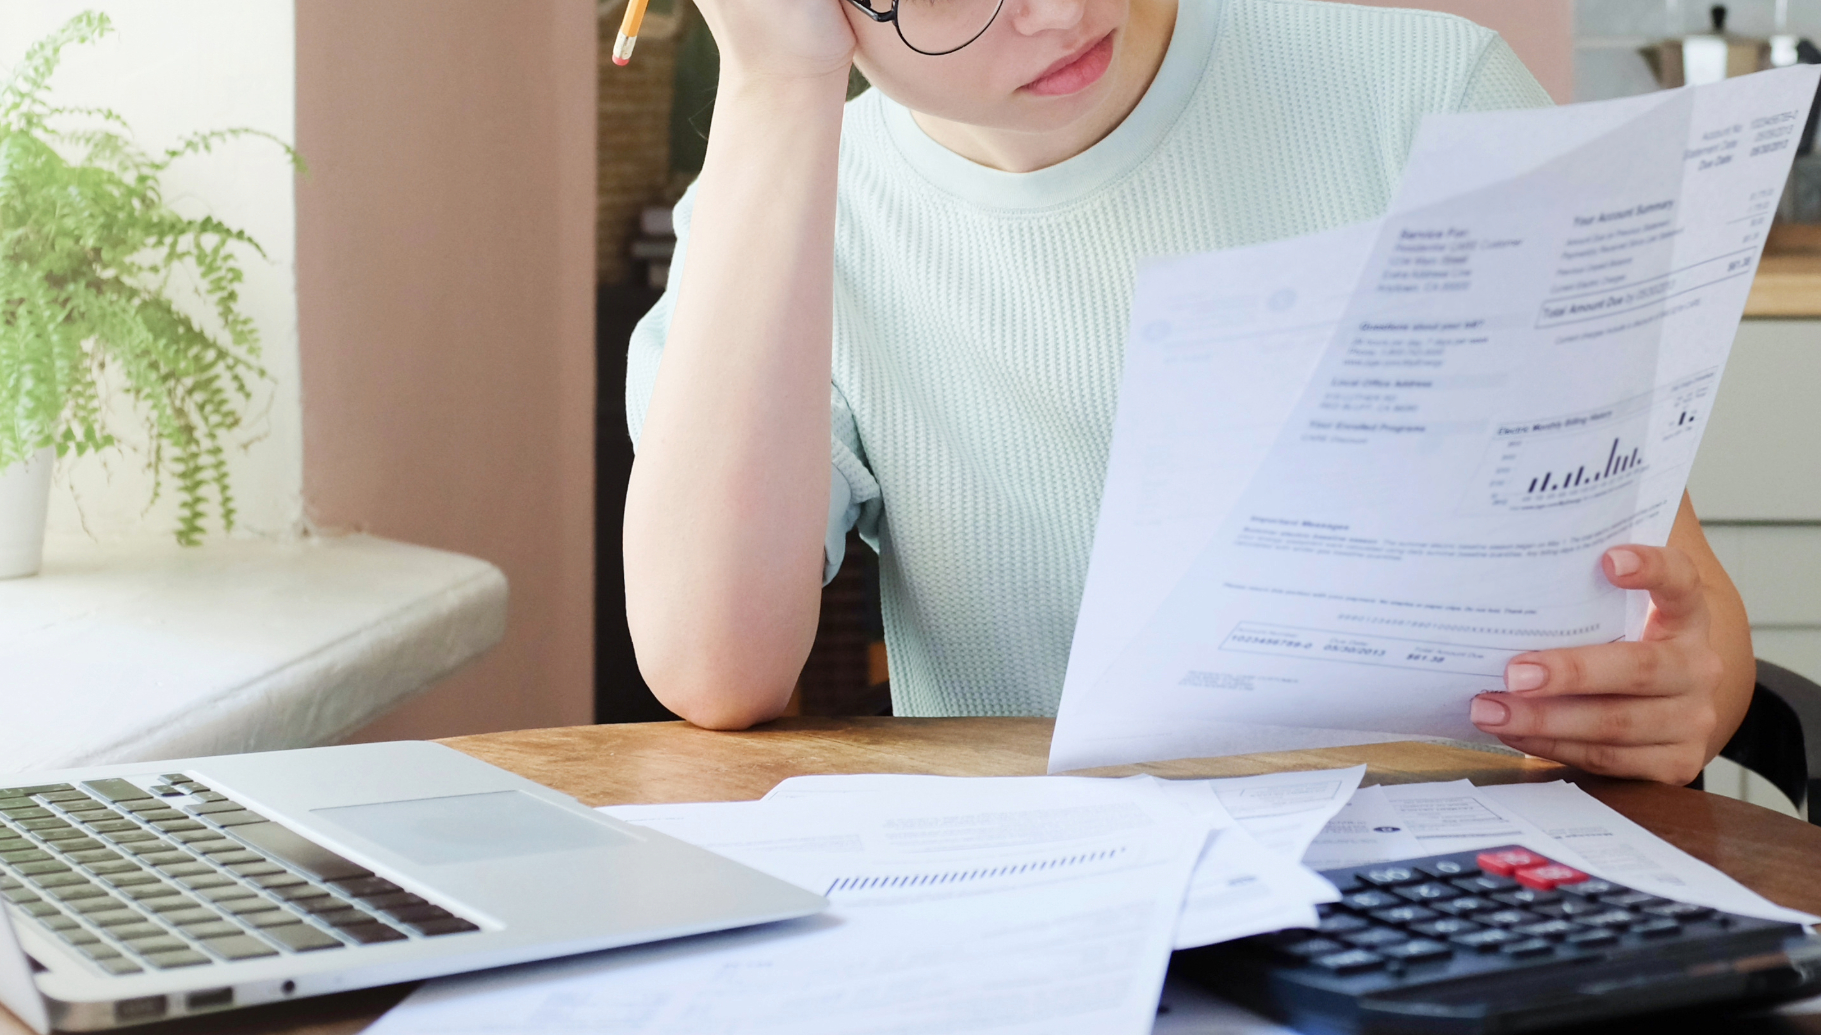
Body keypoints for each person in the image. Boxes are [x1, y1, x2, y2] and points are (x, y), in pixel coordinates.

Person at [623, 0, 1756, 786]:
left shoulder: (1431, 93)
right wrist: (778, 86)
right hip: (1051, 895)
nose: (1061, 14)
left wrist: (1697, 683)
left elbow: (1675, 589)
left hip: (1452, 874)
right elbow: (712, 670)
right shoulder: (793, 217)